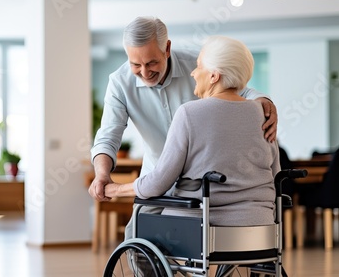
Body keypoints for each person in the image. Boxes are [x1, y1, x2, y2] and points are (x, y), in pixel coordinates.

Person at [102, 35, 281, 277]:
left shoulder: (189, 113)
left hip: (200, 228)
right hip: (261, 230)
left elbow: (158, 182)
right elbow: (275, 174)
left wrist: (115, 189)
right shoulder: (262, 113)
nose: (193, 73)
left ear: (214, 76)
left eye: (199, 67)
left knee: (141, 228)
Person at [88, 16, 278, 204]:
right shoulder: (119, 83)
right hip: (155, 179)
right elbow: (108, 136)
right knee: (136, 231)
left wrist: (262, 101)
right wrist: (102, 174)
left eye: (152, 62)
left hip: (199, 181)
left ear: (167, 49)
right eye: (135, 65)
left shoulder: (199, 65)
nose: (145, 73)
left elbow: (236, 87)